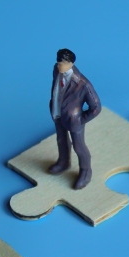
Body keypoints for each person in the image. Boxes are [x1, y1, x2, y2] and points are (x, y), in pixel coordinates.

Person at [47, 48, 102, 190]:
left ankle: (85, 171)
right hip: (58, 113)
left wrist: (80, 119)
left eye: (63, 63)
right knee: (61, 140)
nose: (60, 65)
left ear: (71, 63)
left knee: (79, 147)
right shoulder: (56, 70)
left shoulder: (83, 84)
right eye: (58, 62)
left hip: (74, 120)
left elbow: (96, 107)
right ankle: (63, 162)